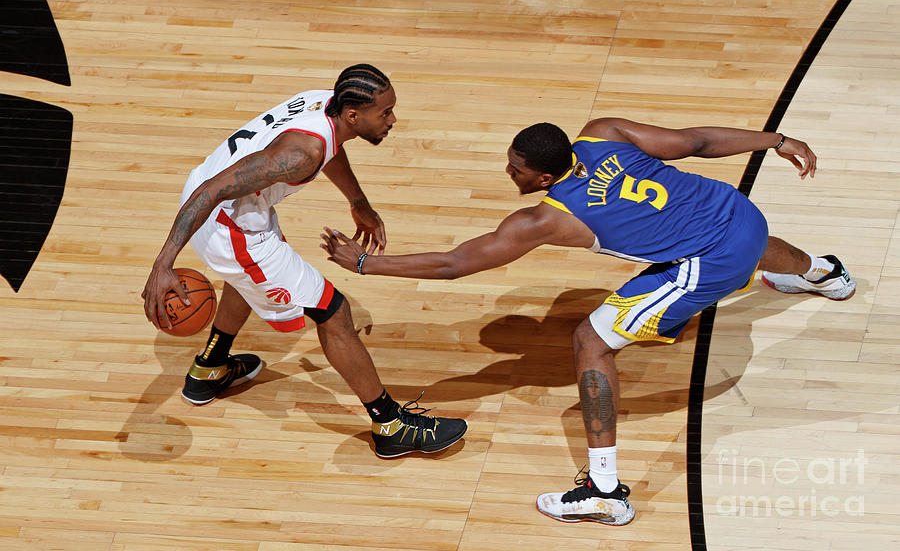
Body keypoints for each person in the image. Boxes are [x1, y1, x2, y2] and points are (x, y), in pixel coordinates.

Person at [320, 117, 856, 523]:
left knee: (591, 340)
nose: (509, 173)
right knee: (735, 239)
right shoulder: (603, 132)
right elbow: (695, 143)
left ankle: (604, 492)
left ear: (547, 175)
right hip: (738, 211)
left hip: (710, 261)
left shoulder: (548, 218)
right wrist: (775, 140)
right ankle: (824, 272)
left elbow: (456, 263)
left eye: (517, 169)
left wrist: (366, 263)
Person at [141, 64, 467, 459]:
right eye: (384, 112)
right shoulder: (300, 153)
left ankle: (210, 368)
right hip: (228, 224)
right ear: (353, 115)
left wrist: (358, 201)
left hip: (226, 204)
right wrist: (163, 264)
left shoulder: (323, 103)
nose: (392, 120)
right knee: (333, 311)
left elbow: (330, 148)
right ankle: (391, 425)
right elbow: (213, 191)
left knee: (247, 281)